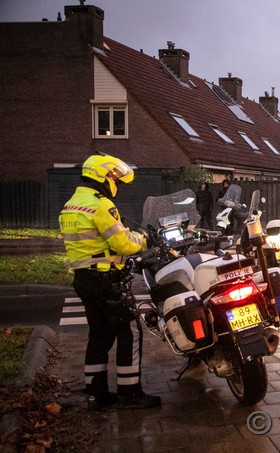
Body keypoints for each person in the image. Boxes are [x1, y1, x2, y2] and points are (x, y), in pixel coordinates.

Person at [59, 154, 161, 410]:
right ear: (102, 177)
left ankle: (97, 392)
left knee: (100, 334)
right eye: (115, 178)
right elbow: (124, 243)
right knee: (130, 332)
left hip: (84, 279)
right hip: (106, 280)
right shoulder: (101, 205)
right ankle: (130, 393)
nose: (116, 182)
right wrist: (145, 238)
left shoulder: (71, 204)